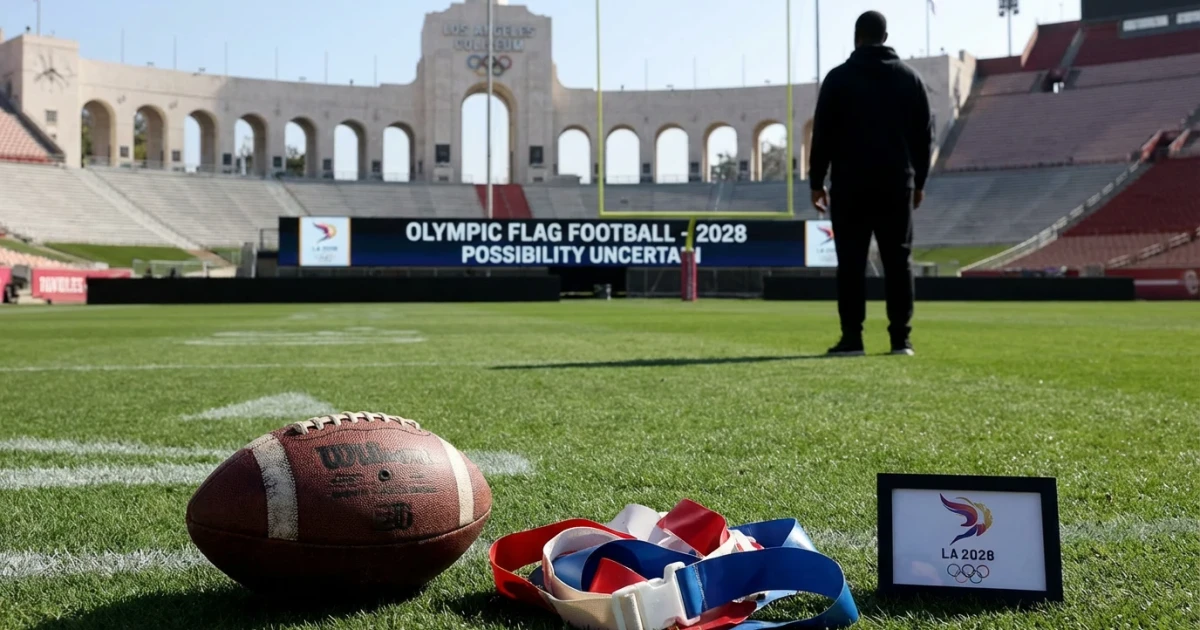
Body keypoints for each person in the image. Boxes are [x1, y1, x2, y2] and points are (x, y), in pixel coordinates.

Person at [809, 10, 932, 357]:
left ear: (856, 38)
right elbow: (925, 137)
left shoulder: (838, 78)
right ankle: (900, 340)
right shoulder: (910, 79)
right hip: (896, 183)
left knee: (850, 262)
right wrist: (919, 181)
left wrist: (816, 182)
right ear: (885, 36)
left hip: (850, 184)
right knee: (898, 261)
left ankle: (852, 338)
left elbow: (823, 136)